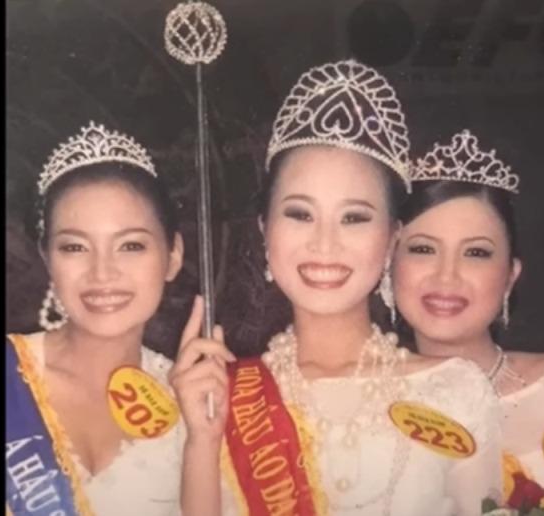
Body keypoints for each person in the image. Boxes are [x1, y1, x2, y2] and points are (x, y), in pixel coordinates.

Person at [180, 60, 503, 516]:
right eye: (300, 214)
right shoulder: (219, 395)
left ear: (392, 238)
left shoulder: (454, 389)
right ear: (265, 230)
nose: (325, 244)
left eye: (354, 218)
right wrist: (200, 441)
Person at [391, 129, 544, 500]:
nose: (447, 276)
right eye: (423, 249)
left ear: (510, 275)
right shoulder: (363, 406)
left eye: (476, 253)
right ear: (389, 265)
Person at [6, 121, 206, 515]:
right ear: (48, 258)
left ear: (173, 255)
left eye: (130, 246)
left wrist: (202, 441)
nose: (102, 273)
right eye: (75, 247)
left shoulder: (194, 404)